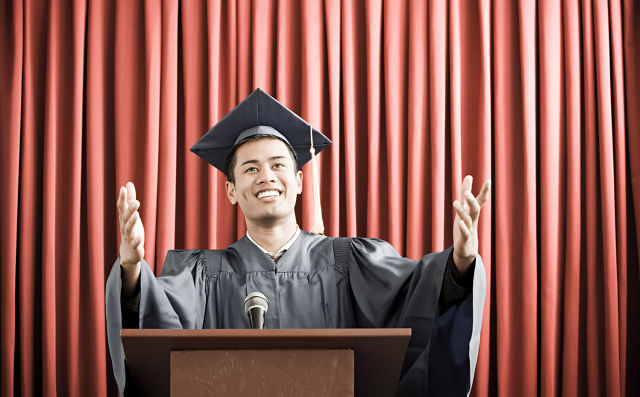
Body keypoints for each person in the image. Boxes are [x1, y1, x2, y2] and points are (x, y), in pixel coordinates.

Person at [105, 88, 491, 396]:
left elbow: (420, 295)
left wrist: (460, 260)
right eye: (251, 169)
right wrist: (131, 267)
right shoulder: (202, 273)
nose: (265, 177)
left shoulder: (350, 262)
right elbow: (156, 328)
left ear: (300, 181)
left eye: (277, 165)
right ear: (231, 191)